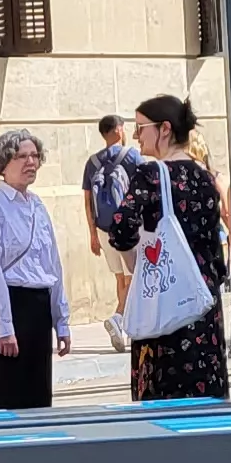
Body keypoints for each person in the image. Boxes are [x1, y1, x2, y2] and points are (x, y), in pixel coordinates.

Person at [112, 95, 230, 402]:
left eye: (141, 128)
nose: (136, 136)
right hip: (202, 302)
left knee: (164, 411)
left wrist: (136, 258)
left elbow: (120, 229)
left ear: (164, 129)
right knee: (204, 408)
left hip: (164, 306)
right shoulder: (204, 177)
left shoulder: (150, 175)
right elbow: (215, 252)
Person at [0, 130, 70, 410]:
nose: (31, 162)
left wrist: (61, 320)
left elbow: (52, 264)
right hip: (10, 304)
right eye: (21, 156)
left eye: (35, 156)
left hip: (38, 309)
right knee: (6, 393)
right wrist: (3, 327)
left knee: (37, 395)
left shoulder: (37, 205)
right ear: (2, 162)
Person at [81, 114, 142, 332]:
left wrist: (93, 235)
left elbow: (87, 201)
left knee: (120, 278)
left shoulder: (92, 162)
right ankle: (120, 319)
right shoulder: (132, 156)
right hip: (127, 228)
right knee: (133, 277)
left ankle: (122, 326)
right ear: (118, 130)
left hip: (103, 228)